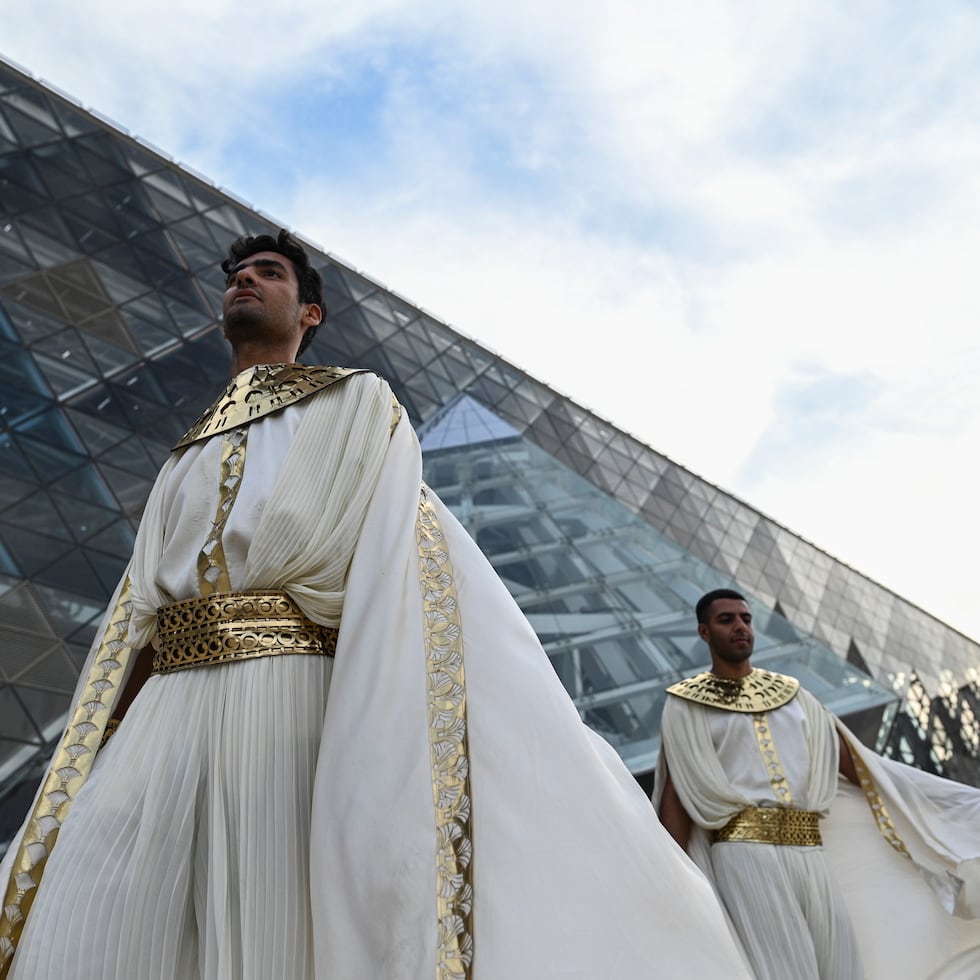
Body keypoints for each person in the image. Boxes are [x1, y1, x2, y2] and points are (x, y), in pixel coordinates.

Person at [0, 230, 750, 980]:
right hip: (164, 710)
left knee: (272, 919)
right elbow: (141, 618)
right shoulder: (185, 453)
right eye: (235, 274)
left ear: (311, 313)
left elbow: (392, 560)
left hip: (286, 693)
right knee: (97, 896)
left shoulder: (354, 403)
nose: (244, 282)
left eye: (268, 273)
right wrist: (104, 733)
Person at [656, 588, 980, 980]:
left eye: (745, 618)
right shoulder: (687, 704)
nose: (740, 626)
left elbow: (856, 764)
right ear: (705, 633)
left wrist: (926, 806)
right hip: (743, 853)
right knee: (783, 968)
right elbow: (679, 791)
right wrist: (668, 873)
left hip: (809, 847)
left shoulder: (794, 695)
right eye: (727, 620)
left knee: (841, 964)